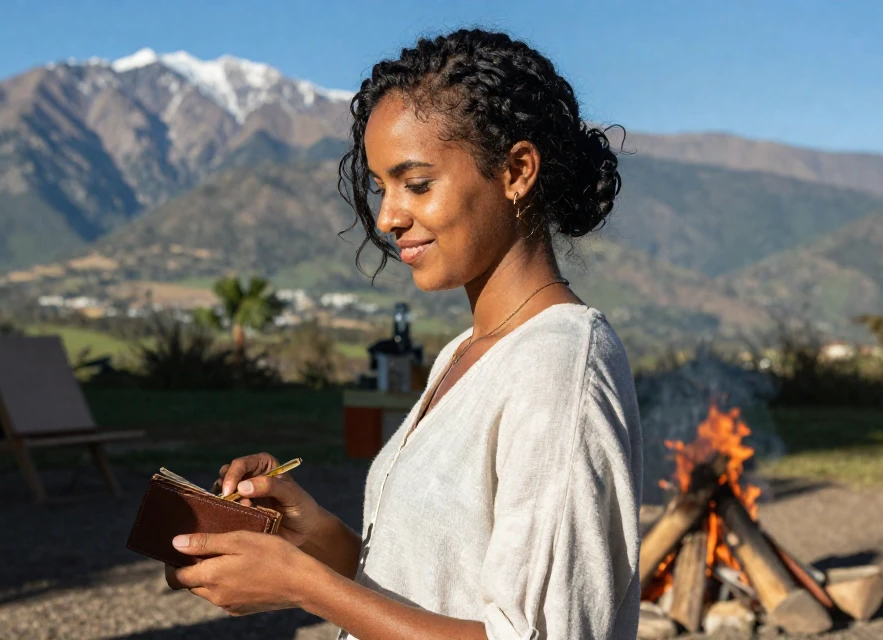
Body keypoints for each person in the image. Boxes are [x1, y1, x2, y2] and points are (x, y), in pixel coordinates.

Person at [164, 28, 642, 640]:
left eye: (416, 184)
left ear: (517, 171)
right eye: (381, 186)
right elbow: (435, 583)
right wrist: (313, 540)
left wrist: (302, 584)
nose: (388, 217)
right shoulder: (463, 354)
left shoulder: (560, 368)